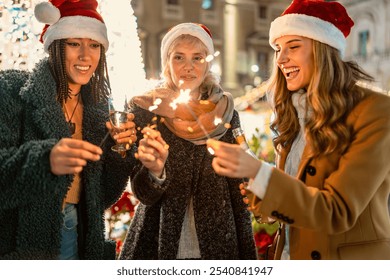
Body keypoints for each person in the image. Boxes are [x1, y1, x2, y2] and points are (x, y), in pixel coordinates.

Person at [207, 0, 390, 260]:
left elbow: (337, 211)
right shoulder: (293, 113)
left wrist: (259, 172)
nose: (281, 59)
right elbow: (295, 197)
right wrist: (255, 186)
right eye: (278, 48)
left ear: (322, 50)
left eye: (293, 47)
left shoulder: (375, 110)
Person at [0, 0, 137, 260]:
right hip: (23, 243)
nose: (86, 56)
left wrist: (121, 152)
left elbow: (101, 197)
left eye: (94, 45)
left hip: (81, 236)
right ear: (55, 46)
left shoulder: (98, 111)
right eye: (74, 43)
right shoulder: (12, 91)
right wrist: (44, 160)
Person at [119, 23, 257, 260]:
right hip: (159, 237)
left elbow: (239, 183)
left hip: (219, 239)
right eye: (179, 57)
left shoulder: (224, 111)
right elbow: (143, 194)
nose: (188, 67)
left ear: (207, 63)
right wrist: (155, 172)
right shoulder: (146, 110)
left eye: (198, 58)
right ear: (167, 62)